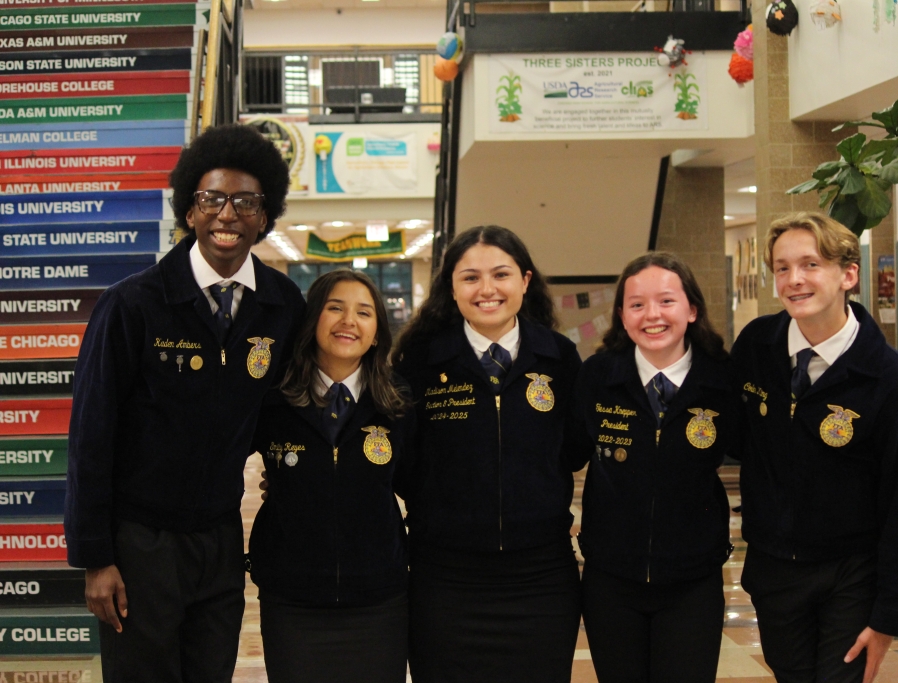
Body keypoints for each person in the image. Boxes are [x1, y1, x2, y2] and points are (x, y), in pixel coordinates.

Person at [64, 124, 306, 682]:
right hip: (139, 542)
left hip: (220, 538)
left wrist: (290, 470)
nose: (228, 214)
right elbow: (90, 438)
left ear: (264, 216)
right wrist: (97, 558)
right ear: (189, 212)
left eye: (246, 201)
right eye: (212, 200)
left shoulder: (280, 304)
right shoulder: (133, 305)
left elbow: (285, 409)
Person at [732, 212, 898, 683]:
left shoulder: (889, 379)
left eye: (810, 264)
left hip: (852, 574)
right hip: (775, 570)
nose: (794, 280)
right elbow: (730, 433)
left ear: (848, 274)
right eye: (782, 267)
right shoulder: (757, 346)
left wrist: (890, 617)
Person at [393, 225, 582, 683]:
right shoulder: (419, 361)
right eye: (470, 277)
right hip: (445, 578)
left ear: (525, 281)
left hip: (540, 577)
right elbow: (401, 461)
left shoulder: (558, 358)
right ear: (451, 288)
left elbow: (574, 450)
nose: (487, 290)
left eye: (501, 274)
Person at [564, 252, 734, 683]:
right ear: (622, 315)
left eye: (666, 302)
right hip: (610, 578)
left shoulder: (723, 380)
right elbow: (563, 454)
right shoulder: (599, 376)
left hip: (693, 578)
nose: (651, 315)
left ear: (692, 309)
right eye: (637, 305)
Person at [248, 269, 413, 683]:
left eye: (364, 313)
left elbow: (421, 482)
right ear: (312, 321)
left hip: (379, 601)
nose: (348, 322)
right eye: (334, 308)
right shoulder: (273, 399)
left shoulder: (398, 401)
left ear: (377, 333)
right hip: (292, 602)